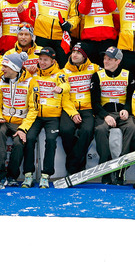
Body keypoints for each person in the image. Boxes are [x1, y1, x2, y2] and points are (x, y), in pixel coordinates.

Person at [21, 47, 71, 188]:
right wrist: (27, 72)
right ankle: (28, 174)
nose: (42, 62)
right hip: (35, 115)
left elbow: (65, 84)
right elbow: (20, 78)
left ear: (52, 61)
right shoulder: (33, 73)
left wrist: (60, 88)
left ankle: (45, 175)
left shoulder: (59, 74)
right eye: (40, 59)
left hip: (52, 116)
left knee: (50, 140)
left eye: (45, 60)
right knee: (29, 138)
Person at [90, 46, 135, 184]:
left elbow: (132, 97)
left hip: (122, 113)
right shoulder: (97, 75)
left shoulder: (128, 75)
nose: (105, 61)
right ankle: (106, 167)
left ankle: (121, 166)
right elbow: (95, 102)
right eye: (105, 58)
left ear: (118, 61)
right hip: (105, 113)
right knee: (100, 129)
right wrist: (105, 115)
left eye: (109, 59)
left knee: (133, 129)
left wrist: (127, 110)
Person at [0, 51, 34, 187]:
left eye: (5, 67)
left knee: (18, 142)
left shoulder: (31, 82)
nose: (2, 69)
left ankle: (12, 176)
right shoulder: (0, 82)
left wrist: (23, 128)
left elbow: (34, 109)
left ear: (15, 69)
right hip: (4, 120)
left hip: (20, 122)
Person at [59, 42, 98, 175]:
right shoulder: (63, 72)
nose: (74, 55)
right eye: (73, 52)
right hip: (70, 108)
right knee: (66, 130)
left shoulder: (95, 68)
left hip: (88, 108)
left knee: (87, 131)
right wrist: (73, 113)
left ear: (85, 56)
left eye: (79, 53)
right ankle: (78, 164)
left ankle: (72, 166)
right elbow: (64, 97)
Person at [74, 0, 118, 64]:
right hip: (89, 40)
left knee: (107, 68)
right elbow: (84, 10)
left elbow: (110, 8)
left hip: (107, 40)